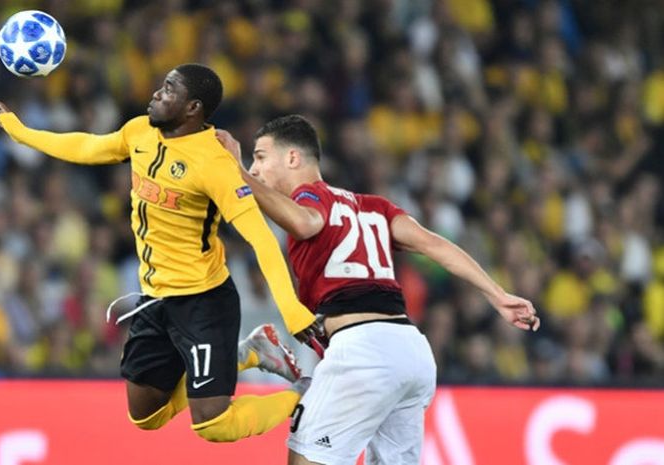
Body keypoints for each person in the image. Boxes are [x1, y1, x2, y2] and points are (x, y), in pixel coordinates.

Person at [0, 63, 318, 443]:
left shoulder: (214, 163)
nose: (156, 93)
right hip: (154, 299)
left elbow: (261, 238)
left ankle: (303, 395)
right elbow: (88, 146)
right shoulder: (139, 131)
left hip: (203, 302)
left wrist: (292, 311)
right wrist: (22, 132)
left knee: (213, 423)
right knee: (145, 416)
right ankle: (250, 351)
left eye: (168, 89)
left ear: (193, 107)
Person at [216, 115, 540, 465]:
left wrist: (238, 172)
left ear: (293, 158)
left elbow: (305, 222)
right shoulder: (375, 207)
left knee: (305, 459)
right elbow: (435, 244)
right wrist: (497, 295)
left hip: (362, 351)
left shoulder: (310, 197)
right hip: (412, 351)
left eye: (261, 157)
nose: (255, 167)